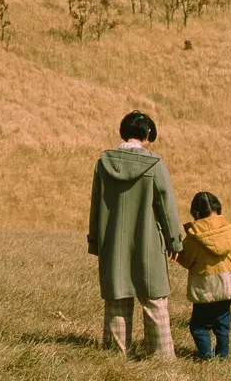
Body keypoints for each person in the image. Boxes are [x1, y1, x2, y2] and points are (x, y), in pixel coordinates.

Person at [88, 110, 185, 360]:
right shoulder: (155, 164)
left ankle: (115, 357)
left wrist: (95, 241)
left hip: (112, 243)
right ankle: (161, 358)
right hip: (148, 242)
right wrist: (174, 241)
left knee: (117, 300)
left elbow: (95, 206)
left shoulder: (103, 163)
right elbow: (166, 206)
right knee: (155, 301)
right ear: (148, 133)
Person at [176, 191, 231, 360]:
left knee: (198, 326)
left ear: (195, 212)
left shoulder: (194, 236)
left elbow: (185, 260)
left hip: (205, 287)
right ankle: (223, 355)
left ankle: (207, 356)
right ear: (217, 207)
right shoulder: (230, 230)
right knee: (222, 323)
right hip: (227, 285)